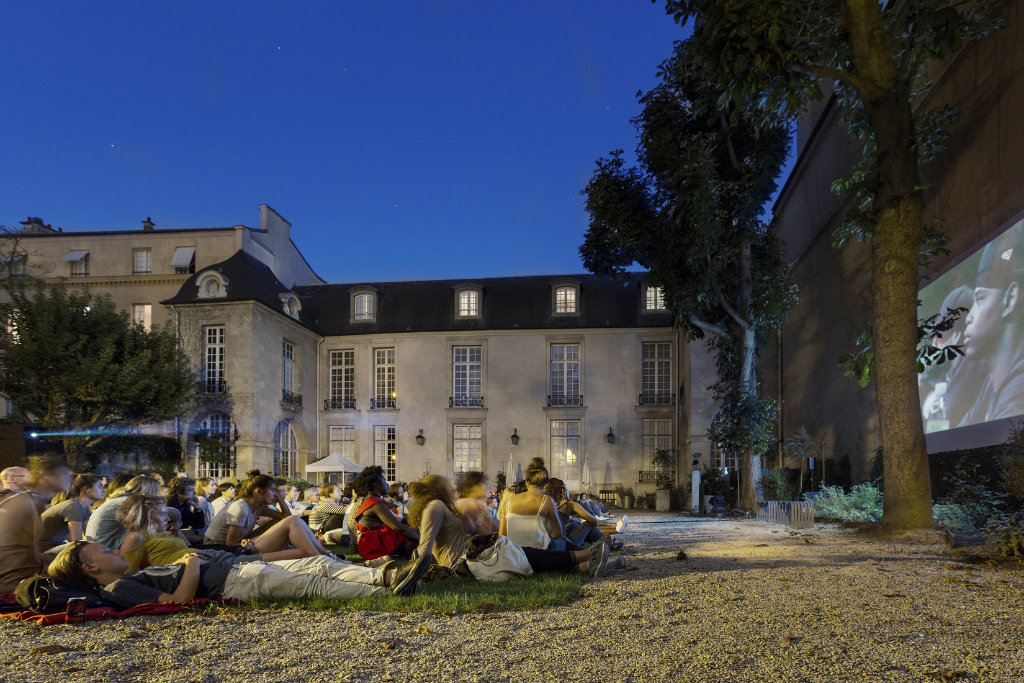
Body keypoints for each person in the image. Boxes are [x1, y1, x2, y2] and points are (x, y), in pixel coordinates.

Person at [47, 538, 434, 607]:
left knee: (318, 563)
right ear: (90, 566)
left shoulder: (129, 575)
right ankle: (386, 595)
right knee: (313, 583)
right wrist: (193, 565)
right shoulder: (119, 588)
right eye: (104, 550)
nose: (114, 549)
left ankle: (388, 577)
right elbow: (179, 601)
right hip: (235, 582)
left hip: (239, 568)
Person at [411, 474, 609, 577]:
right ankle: (590, 554)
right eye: (448, 487)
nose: (453, 491)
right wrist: (415, 576)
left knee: (527, 559)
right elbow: (424, 550)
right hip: (465, 564)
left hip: (471, 558)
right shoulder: (435, 506)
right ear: (440, 489)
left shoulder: (442, 508)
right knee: (527, 556)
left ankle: (585, 565)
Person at [961, 226, 1024, 425]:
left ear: (1009, 298)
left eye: (980, 299)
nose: (968, 318)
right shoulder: (992, 385)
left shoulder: (1018, 391)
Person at [203, 472, 332, 561]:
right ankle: (324, 558)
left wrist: (281, 500)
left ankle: (325, 555)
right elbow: (230, 543)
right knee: (292, 521)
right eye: (273, 490)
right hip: (220, 549)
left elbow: (285, 517)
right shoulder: (241, 507)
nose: (275, 494)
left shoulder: (258, 506)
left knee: (289, 520)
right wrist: (256, 540)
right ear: (259, 491)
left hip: (236, 545)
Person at [0, 454, 72, 592]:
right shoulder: (27, 501)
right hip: (15, 580)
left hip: (13, 572)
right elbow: (33, 550)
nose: (69, 480)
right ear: (46, 476)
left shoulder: (23, 498)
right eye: (64, 474)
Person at [349, 466, 419, 561]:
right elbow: (398, 527)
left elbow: (399, 518)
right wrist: (422, 539)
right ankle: (405, 555)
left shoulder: (374, 500)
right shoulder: (375, 504)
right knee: (412, 531)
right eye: (384, 481)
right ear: (375, 485)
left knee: (412, 526)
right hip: (372, 545)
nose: (387, 484)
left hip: (373, 541)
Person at [498, 457, 563, 550]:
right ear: (546, 485)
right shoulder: (547, 501)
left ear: (527, 483)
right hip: (538, 553)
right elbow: (557, 534)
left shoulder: (510, 500)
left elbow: (502, 535)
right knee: (563, 541)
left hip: (514, 553)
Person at [86, 475, 162, 549]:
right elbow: (147, 530)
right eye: (157, 493)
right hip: (106, 553)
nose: (158, 496)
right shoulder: (129, 502)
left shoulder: (121, 499)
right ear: (149, 492)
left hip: (98, 549)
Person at [41, 473, 105, 548]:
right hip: (41, 548)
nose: (104, 490)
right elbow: (77, 543)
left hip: (54, 544)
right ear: (85, 489)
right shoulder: (74, 506)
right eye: (100, 486)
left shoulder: (84, 508)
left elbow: (89, 537)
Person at [454, 472, 499, 538]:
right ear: (476, 487)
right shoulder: (473, 504)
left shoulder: (462, 502)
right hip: (464, 546)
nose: (487, 487)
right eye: (485, 484)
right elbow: (496, 527)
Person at [166, 476, 208, 541]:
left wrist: (197, 508)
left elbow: (199, 525)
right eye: (191, 490)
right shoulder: (169, 502)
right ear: (179, 493)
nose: (195, 493)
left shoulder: (184, 504)